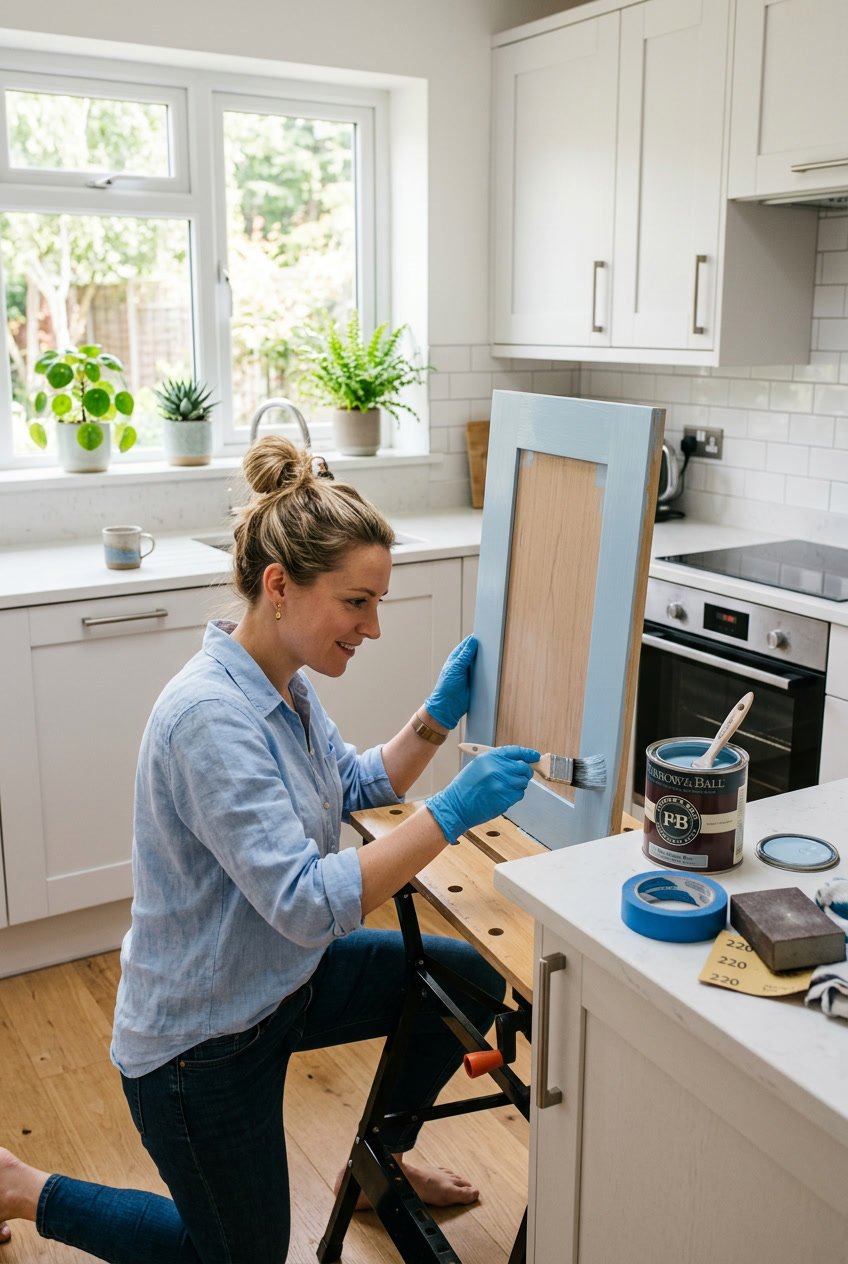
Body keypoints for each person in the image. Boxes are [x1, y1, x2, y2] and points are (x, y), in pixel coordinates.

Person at [0, 436, 539, 1262]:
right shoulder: (209, 719)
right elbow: (306, 902)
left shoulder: (281, 679)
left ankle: (376, 1164)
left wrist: (434, 721)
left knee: (457, 980)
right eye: (358, 603)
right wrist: (454, 811)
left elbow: (353, 783)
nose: (375, 627)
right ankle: (23, 1188)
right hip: (201, 1045)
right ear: (281, 587)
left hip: (279, 983)